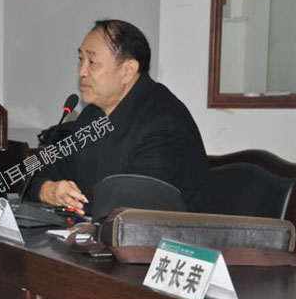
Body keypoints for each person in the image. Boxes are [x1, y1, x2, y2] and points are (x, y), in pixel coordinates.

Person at [28, 19, 210, 215]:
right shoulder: (93, 116)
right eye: (81, 59)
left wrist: (77, 209)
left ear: (127, 70)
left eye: (92, 62)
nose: (82, 71)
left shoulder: (164, 123)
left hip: (168, 234)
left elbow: (135, 211)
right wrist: (48, 190)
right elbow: (37, 172)